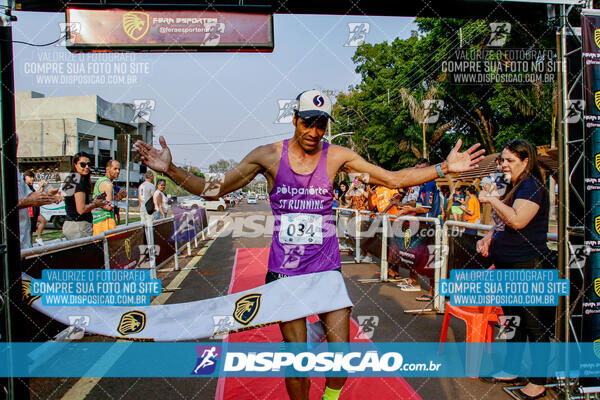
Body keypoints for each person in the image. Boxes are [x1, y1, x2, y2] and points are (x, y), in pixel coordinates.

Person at [135, 89, 484, 400]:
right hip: (285, 274)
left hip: (326, 271)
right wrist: (171, 170)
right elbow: (215, 188)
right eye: (309, 123)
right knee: (298, 360)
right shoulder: (268, 156)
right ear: (295, 119)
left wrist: (443, 168)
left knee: (342, 358)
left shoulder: (338, 157)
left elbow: (391, 178)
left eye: (321, 125)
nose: (314, 132)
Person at [477, 139, 552, 400]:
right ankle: (511, 368)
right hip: (508, 263)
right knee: (512, 320)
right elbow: (504, 223)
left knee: (534, 324)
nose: (503, 165)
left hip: (528, 265)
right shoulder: (516, 185)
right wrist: (490, 236)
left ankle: (539, 381)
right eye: (502, 160)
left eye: (509, 160)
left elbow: (518, 220)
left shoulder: (532, 185)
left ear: (526, 161)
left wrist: (491, 199)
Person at [397, 158, 442, 301]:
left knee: (431, 259)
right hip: (422, 223)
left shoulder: (429, 183)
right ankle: (415, 282)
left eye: (420, 169)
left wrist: (410, 209)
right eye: (415, 169)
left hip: (430, 225)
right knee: (417, 255)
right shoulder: (421, 185)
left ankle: (433, 293)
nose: (417, 172)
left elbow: (426, 208)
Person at [62, 153, 108, 240]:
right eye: (83, 164)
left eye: (89, 164)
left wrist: (92, 202)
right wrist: (96, 204)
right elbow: (81, 209)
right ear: (75, 165)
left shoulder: (71, 180)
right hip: (79, 227)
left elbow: (72, 203)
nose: (87, 167)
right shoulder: (79, 182)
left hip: (70, 224)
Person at [92, 159, 125, 235]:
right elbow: (109, 206)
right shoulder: (108, 185)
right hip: (105, 222)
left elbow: (106, 202)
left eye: (119, 169)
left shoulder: (101, 181)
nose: (118, 171)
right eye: (115, 169)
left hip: (98, 220)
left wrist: (118, 197)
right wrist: (119, 202)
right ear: (107, 169)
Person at [23, 170, 48, 246]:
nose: (32, 179)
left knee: (42, 221)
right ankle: (30, 244)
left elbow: (38, 195)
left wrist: (42, 187)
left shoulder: (31, 186)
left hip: (35, 209)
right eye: (30, 177)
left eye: (32, 177)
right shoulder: (25, 187)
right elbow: (33, 196)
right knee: (30, 229)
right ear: (25, 177)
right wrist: (40, 186)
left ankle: (37, 239)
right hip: (29, 210)